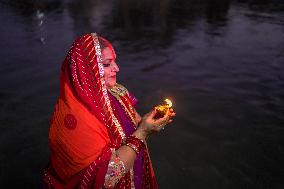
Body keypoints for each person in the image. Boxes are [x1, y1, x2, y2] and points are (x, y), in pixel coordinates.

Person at [42, 33, 175, 189]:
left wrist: (153, 120)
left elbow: (137, 124)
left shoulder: (116, 90)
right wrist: (143, 133)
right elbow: (106, 179)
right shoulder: (76, 117)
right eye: (107, 64)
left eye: (114, 61)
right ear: (87, 69)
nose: (117, 68)